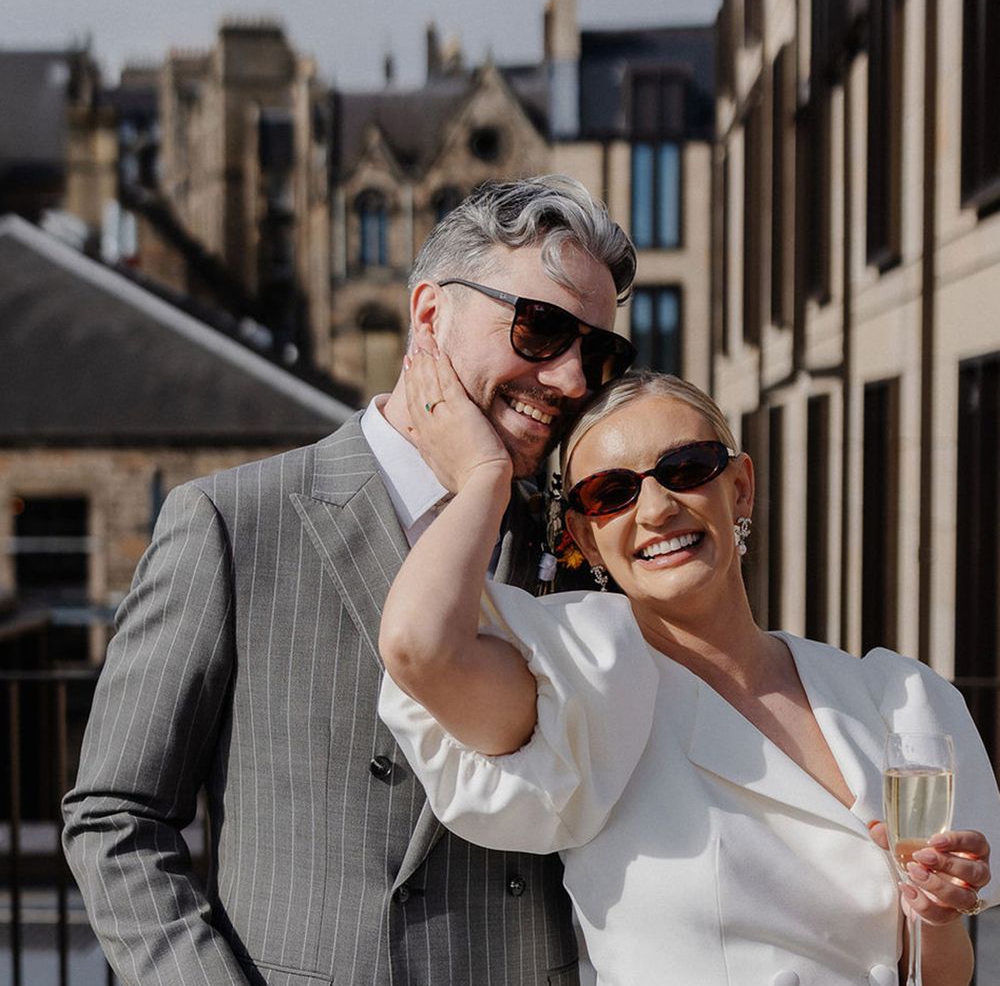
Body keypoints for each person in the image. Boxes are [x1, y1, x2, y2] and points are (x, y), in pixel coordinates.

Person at [61, 175, 638, 986]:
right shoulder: (231, 524)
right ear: (430, 314)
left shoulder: (578, 539)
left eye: (599, 353)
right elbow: (115, 816)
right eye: (541, 330)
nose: (574, 379)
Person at [378, 362, 1000, 986]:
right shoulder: (584, 688)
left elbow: (940, 975)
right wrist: (486, 479)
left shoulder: (886, 699)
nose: (656, 507)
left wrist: (935, 914)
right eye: (609, 494)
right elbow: (417, 646)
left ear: (740, 488)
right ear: (585, 539)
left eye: (686, 469)